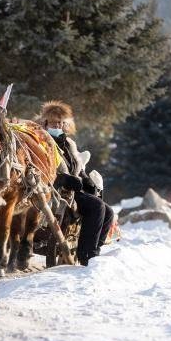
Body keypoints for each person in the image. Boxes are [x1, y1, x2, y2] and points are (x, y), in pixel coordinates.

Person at [37, 101, 115, 265]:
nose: (57, 125)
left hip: (73, 189)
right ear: (45, 123)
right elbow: (41, 170)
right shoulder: (40, 142)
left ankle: (95, 250)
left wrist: (85, 179)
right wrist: (62, 179)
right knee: (97, 207)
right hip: (55, 191)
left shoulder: (68, 143)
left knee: (108, 211)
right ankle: (87, 255)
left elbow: (76, 167)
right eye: (53, 122)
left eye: (60, 122)